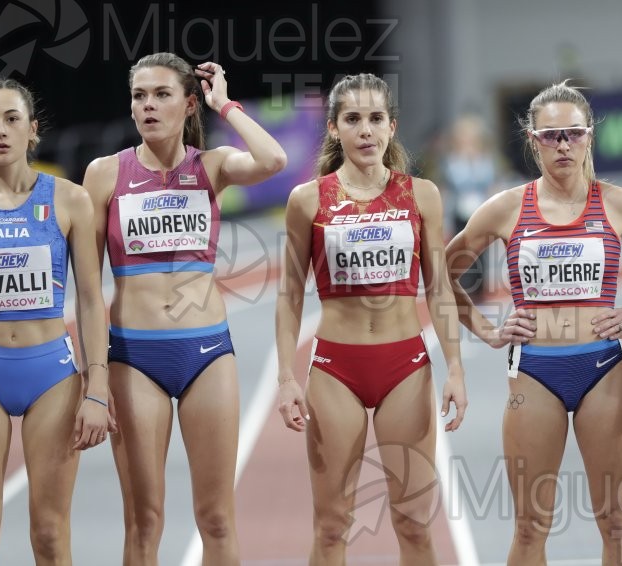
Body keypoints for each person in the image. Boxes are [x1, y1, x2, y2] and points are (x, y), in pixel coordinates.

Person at [445, 80, 622, 565]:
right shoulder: (506, 207)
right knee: (530, 527)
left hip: (601, 368)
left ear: (589, 138)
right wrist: (486, 329)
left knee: (616, 521)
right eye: (551, 136)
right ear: (532, 140)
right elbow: (441, 272)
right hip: (535, 370)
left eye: (574, 134)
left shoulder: (618, 203)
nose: (563, 145)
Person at [82, 52, 285, 566]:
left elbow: (275, 160)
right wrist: (95, 381)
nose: (148, 105)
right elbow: (86, 288)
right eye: (139, 96)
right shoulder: (105, 175)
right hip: (134, 358)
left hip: (207, 352)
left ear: (188, 103)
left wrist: (226, 105)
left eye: (162, 94)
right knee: (144, 521)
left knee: (217, 518)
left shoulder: (211, 166)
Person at [275, 73, 467, 565]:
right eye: (353, 119)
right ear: (335, 129)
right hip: (336, 368)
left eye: (375, 118)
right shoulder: (308, 200)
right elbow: (289, 294)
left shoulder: (421, 195)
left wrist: (456, 369)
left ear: (391, 127)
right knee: (333, 525)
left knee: (413, 522)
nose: (366, 130)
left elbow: (439, 285)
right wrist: (285, 378)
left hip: (405, 364)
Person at [0, 78, 111, 564]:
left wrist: (97, 388)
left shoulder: (70, 199)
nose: (0, 130)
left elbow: (92, 300)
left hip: (51, 373)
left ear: (33, 130)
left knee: (50, 535)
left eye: (12, 119)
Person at [438, 113, 500, 298]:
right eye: (463, 136)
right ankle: (463, 288)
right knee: (463, 250)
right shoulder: (451, 161)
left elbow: (490, 184)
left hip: (480, 212)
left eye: (471, 136)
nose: (467, 140)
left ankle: (479, 288)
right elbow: (450, 186)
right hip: (460, 213)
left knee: (481, 251)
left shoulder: (485, 159)